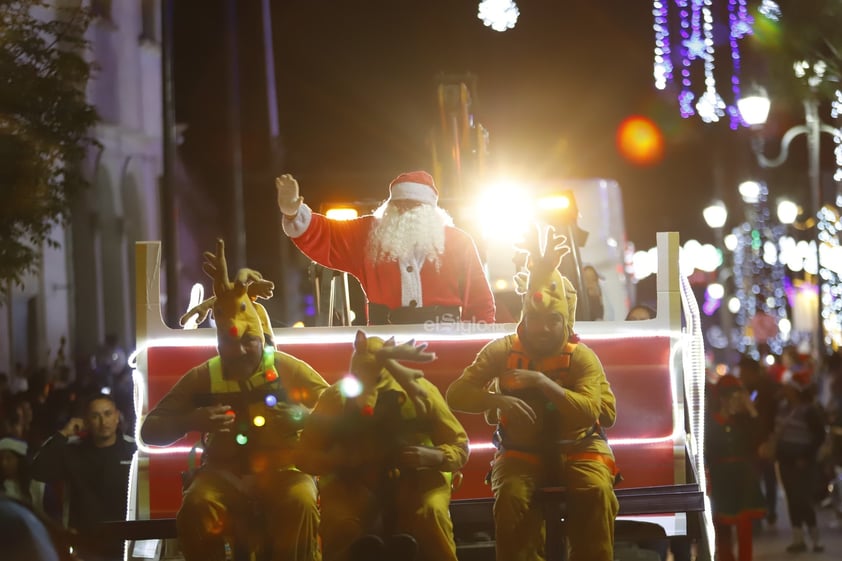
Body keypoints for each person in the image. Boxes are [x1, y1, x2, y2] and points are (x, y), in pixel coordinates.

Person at [140, 240, 330, 561]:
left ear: (264, 338)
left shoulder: (289, 368)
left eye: (249, 342)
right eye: (230, 345)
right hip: (222, 475)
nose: (240, 351)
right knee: (196, 507)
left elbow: (345, 411)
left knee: (301, 501)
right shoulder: (203, 376)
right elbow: (150, 430)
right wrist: (191, 420)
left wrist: (305, 416)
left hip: (285, 472)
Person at [445, 227, 619, 561]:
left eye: (551, 320)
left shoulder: (582, 356)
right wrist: (496, 400)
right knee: (510, 500)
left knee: (596, 493)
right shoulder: (502, 350)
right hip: (520, 451)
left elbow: (588, 412)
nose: (541, 328)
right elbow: (457, 394)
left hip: (580, 447)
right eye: (535, 318)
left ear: (564, 321)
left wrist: (543, 383)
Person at [296, 331, 469, 561]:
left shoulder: (421, 392)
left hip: (417, 481)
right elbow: (303, 455)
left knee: (431, 516)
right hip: (352, 484)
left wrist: (434, 456)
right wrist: (336, 459)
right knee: (340, 524)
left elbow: (459, 444)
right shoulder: (335, 398)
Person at [276, 171, 495, 324]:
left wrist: (477, 353)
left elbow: (479, 300)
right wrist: (293, 212)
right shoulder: (370, 236)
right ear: (389, 207)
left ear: (430, 210)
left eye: (414, 205)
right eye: (399, 204)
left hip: (445, 341)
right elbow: (328, 235)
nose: (405, 210)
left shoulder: (459, 242)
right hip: (383, 347)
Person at [30, 393, 136, 561]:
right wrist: (63, 434)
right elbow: (38, 471)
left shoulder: (134, 450)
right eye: (95, 416)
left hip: (127, 543)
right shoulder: (73, 451)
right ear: (86, 421)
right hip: (85, 544)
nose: (103, 421)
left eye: (108, 414)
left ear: (117, 416)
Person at [704, 374, 766, 561]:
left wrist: (752, 411)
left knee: (745, 526)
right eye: (735, 398)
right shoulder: (711, 423)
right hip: (721, 479)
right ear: (723, 399)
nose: (739, 402)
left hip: (744, 477)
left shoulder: (744, 421)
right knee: (722, 526)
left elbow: (759, 440)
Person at [770, 376, 826, 553]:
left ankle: (815, 538)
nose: (784, 391)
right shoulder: (783, 409)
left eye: (788, 388)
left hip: (803, 462)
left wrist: (807, 456)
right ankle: (798, 538)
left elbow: (819, 436)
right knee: (792, 498)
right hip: (786, 460)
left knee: (803, 499)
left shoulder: (809, 411)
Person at [736, 355, 781, 526]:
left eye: (743, 371)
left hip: (760, 441)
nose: (741, 374)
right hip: (755, 441)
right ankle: (766, 512)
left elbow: (765, 417)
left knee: (762, 478)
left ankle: (764, 513)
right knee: (764, 479)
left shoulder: (762, 390)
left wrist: (767, 439)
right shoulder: (752, 388)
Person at [0, 437, 45, 512]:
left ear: (19, 460)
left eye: (9, 458)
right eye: (0, 459)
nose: (3, 464)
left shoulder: (37, 485)